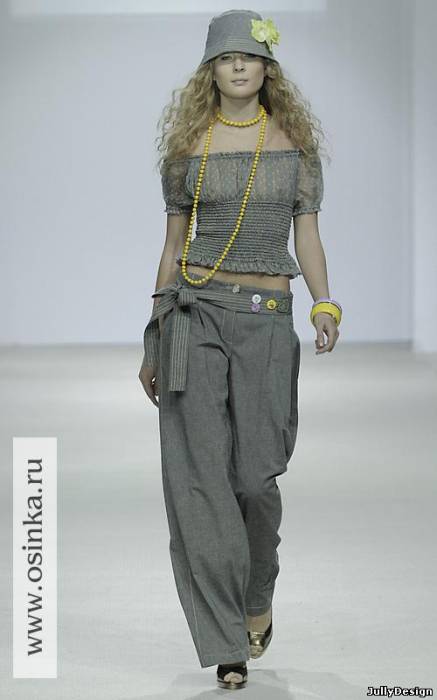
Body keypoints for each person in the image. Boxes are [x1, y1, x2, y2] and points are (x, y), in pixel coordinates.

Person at [139, 8, 341, 691]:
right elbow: (172, 246)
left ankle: (257, 593)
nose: (237, 66)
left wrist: (323, 301)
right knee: (200, 484)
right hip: (194, 314)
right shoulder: (186, 146)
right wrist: (154, 333)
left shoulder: (293, 145)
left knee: (255, 480)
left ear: (265, 68)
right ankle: (227, 639)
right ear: (211, 69)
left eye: (248, 57)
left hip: (265, 318)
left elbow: (306, 233)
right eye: (226, 57)